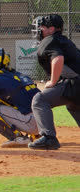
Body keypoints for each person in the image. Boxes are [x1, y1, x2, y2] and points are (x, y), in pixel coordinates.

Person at [29, 14, 80, 150]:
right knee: (73, 105)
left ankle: (49, 138)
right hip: (76, 84)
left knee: (39, 100)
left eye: (42, 27)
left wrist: (53, 81)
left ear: (51, 29)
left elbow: (58, 59)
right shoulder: (64, 41)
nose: (39, 30)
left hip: (74, 83)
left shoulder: (49, 40)